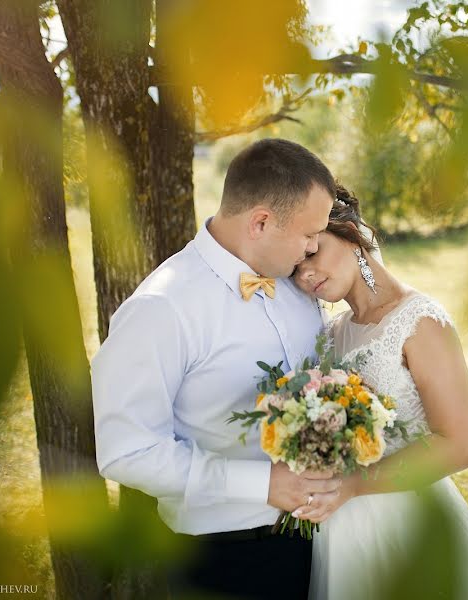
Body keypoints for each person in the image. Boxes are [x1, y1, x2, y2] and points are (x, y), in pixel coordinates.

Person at [291, 185, 468, 600]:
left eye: (312, 255)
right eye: (295, 269)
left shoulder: (420, 321)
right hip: (344, 530)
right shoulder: (333, 332)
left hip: (411, 518)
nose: (305, 275)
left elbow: (461, 445)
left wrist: (354, 484)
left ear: (350, 232)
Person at [90, 138, 342, 599]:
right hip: (224, 559)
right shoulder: (162, 308)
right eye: (309, 234)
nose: (313, 248)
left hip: (323, 543)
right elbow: (125, 452)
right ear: (261, 221)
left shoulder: (299, 287)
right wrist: (262, 484)